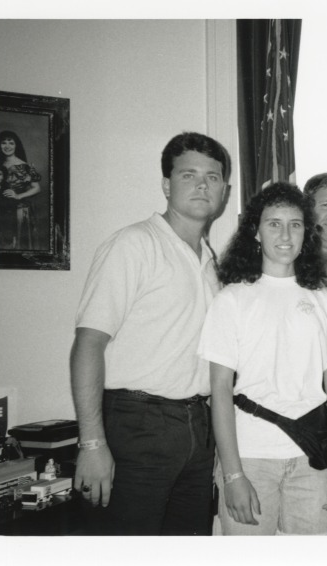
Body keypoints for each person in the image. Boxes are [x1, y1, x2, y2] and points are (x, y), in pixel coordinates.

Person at [70, 132, 231, 535]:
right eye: (188, 175)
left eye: (212, 177)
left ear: (224, 191)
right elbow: (89, 342)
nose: (201, 185)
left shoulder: (213, 265)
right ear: (166, 184)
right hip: (137, 424)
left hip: (197, 425)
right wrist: (91, 443)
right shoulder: (134, 244)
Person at [199, 183, 327, 535]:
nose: (285, 234)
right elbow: (220, 389)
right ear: (255, 231)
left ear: (306, 233)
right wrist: (232, 473)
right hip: (250, 458)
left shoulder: (321, 299)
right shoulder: (233, 299)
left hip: (311, 459)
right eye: (274, 224)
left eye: (295, 224)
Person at [0, 130, 41, 249]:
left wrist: (18, 196)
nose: (7, 146)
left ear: (16, 145)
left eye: (11, 143)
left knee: (16, 244)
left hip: (18, 210)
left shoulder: (23, 165)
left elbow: (37, 188)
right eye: (3, 143)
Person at [0, 165, 16, 249]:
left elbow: (12, 216)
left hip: (5, 233)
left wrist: (14, 236)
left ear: (3, 177)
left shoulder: (8, 192)